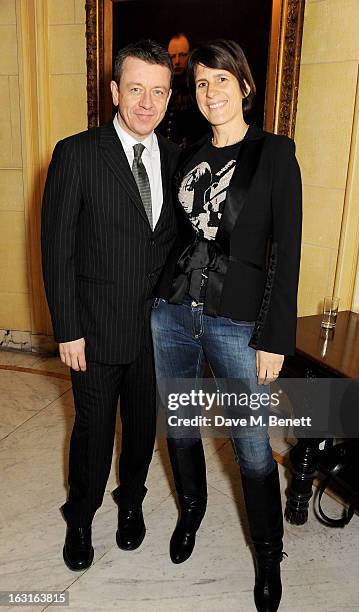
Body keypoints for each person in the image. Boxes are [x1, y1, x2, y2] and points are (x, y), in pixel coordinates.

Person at [151, 40, 302, 611]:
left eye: (221, 80)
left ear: (244, 85)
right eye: (201, 83)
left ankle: (268, 555)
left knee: (253, 448)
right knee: (183, 427)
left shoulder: (275, 154)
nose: (211, 92)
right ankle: (191, 512)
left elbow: (287, 251)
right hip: (171, 314)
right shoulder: (187, 155)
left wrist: (273, 336)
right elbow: (169, 235)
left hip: (238, 322)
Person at [41, 39, 180, 572]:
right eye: (137, 90)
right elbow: (57, 250)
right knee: (94, 431)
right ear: (116, 91)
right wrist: (67, 329)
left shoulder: (174, 156)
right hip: (94, 331)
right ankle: (81, 516)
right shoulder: (76, 153)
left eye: (160, 92)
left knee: (143, 427)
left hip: (156, 333)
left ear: (170, 97)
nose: (147, 103)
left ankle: (132, 502)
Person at [158, 32, 209, 147]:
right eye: (172, 56)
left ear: (190, 55)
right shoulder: (163, 85)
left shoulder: (199, 86)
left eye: (182, 55)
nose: (177, 61)